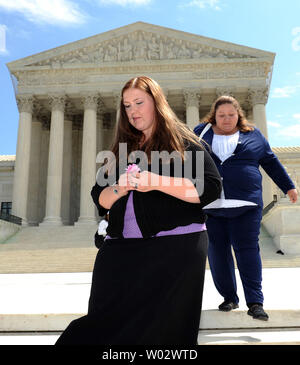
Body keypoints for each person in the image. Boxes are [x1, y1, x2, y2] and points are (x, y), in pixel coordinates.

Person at [56, 76, 222, 345]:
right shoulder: (120, 151)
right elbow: (100, 199)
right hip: (120, 251)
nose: (132, 110)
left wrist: (154, 181)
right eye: (127, 105)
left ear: (156, 102)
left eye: (139, 102)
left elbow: (210, 188)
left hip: (175, 250)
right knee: (97, 328)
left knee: (163, 335)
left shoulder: (184, 143)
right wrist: (120, 188)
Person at [194, 95, 298, 321]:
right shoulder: (200, 134)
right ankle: (229, 297)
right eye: (221, 115)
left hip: (246, 204)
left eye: (231, 114)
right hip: (211, 205)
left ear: (238, 114)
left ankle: (255, 302)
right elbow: (185, 160)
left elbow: (271, 161)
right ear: (214, 116)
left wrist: (288, 187)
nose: (227, 119)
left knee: (248, 251)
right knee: (217, 254)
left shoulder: (253, 135)